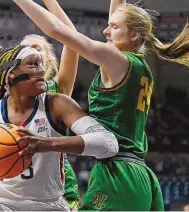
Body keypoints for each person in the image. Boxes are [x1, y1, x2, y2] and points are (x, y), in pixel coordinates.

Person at [12, 0, 189, 210]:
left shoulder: (118, 59)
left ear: (133, 35)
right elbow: (117, 9)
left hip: (118, 172)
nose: (106, 31)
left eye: (114, 27)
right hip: (140, 175)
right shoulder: (136, 65)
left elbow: (56, 30)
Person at [0, 45, 118, 211]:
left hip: (49, 204)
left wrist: (48, 144)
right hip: (0, 203)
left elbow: (109, 144)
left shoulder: (57, 105)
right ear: (11, 73)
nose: (42, 70)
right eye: (33, 64)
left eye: (42, 64)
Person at [0, 0, 81, 209]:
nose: (30, 53)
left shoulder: (57, 92)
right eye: (24, 50)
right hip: (7, 192)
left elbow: (71, 39)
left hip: (52, 189)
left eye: (37, 49)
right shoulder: (6, 83)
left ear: (48, 62)